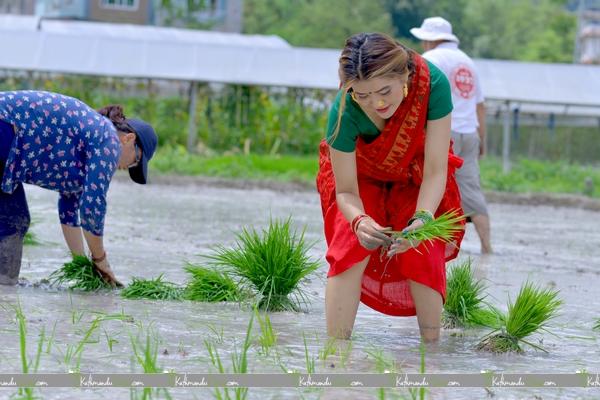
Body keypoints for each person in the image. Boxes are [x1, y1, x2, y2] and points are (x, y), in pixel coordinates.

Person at [316, 33, 465, 342]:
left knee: (423, 246)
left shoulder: (432, 85)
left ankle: (431, 352)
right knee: (349, 245)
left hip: (417, 171)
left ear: (405, 76)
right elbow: (345, 192)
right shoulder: (343, 109)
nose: (377, 103)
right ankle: (335, 353)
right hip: (362, 173)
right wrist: (359, 221)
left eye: (385, 91)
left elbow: (436, 171)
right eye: (364, 95)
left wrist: (422, 218)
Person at [0, 90, 158, 286]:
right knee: (12, 220)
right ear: (129, 139)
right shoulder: (108, 139)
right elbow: (92, 209)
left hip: (9, 151)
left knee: (14, 220)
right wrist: (101, 261)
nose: (126, 168)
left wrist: (83, 265)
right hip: (5, 126)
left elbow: (69, 213)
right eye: (135, 162)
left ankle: (5, 289)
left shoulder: (86, 154)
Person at [411, 17, 492, 254]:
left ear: (430, 40)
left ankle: (437, 244)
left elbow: (419, 98)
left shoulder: (431, 60)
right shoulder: (468, 63)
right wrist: (482, 140)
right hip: (470, 134)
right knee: (471, 190)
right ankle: (487, 247)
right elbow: (480, 105)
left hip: (444, 133)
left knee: (435, 186)